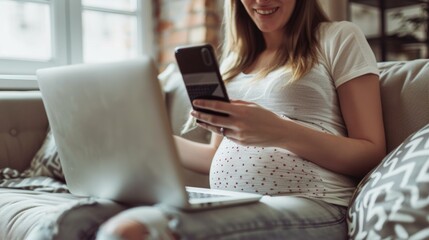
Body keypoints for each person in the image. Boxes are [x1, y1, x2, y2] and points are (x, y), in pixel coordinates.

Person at [97, 0, 386, 239]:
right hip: (234, 202)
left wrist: (281, 132)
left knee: (129, 231)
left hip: (316, 204)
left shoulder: (338, 37)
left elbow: (371, 152)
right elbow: (214, 157)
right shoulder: (232, 62)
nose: (262, 1)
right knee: (97, 219)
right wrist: (150, 139)